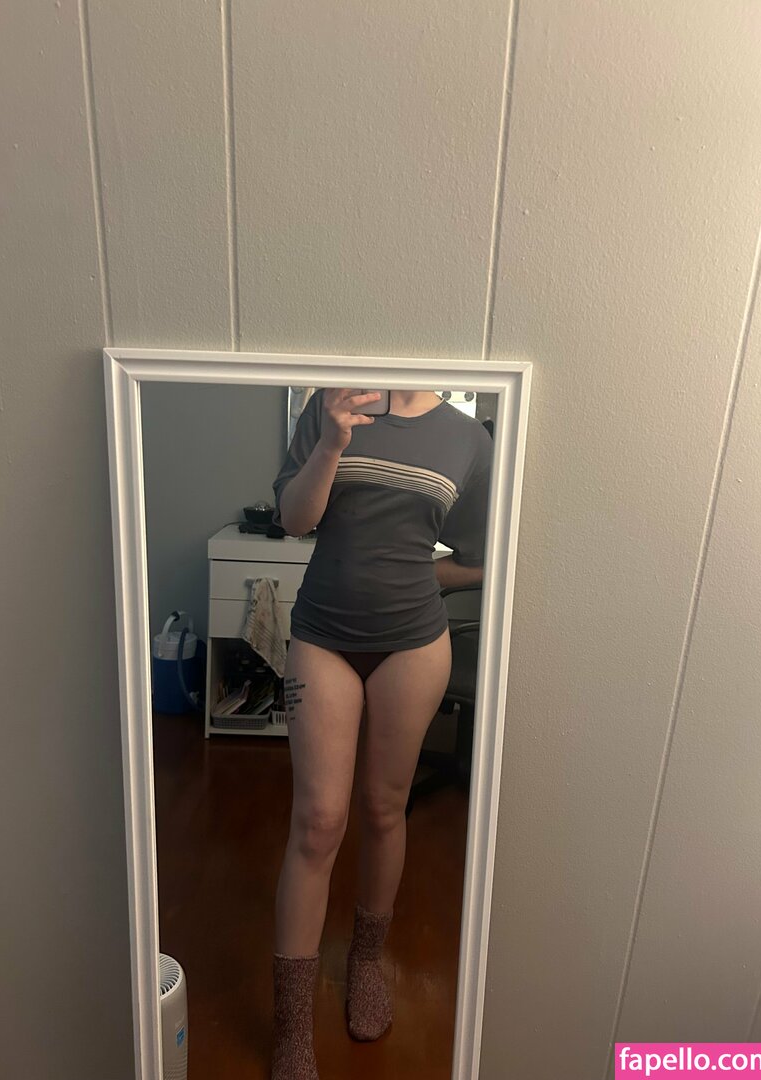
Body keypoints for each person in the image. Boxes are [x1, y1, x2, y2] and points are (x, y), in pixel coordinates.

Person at [270, 387, 492, 1079]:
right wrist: (332, 442)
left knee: (384, 807)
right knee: (318, 821)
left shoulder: (468, 438)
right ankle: (292, 1025)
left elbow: (485, 552)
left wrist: (419, 574)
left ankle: (366, 962)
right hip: (322, 636)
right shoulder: (329, 405)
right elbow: (293, 521)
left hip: (414, 642)